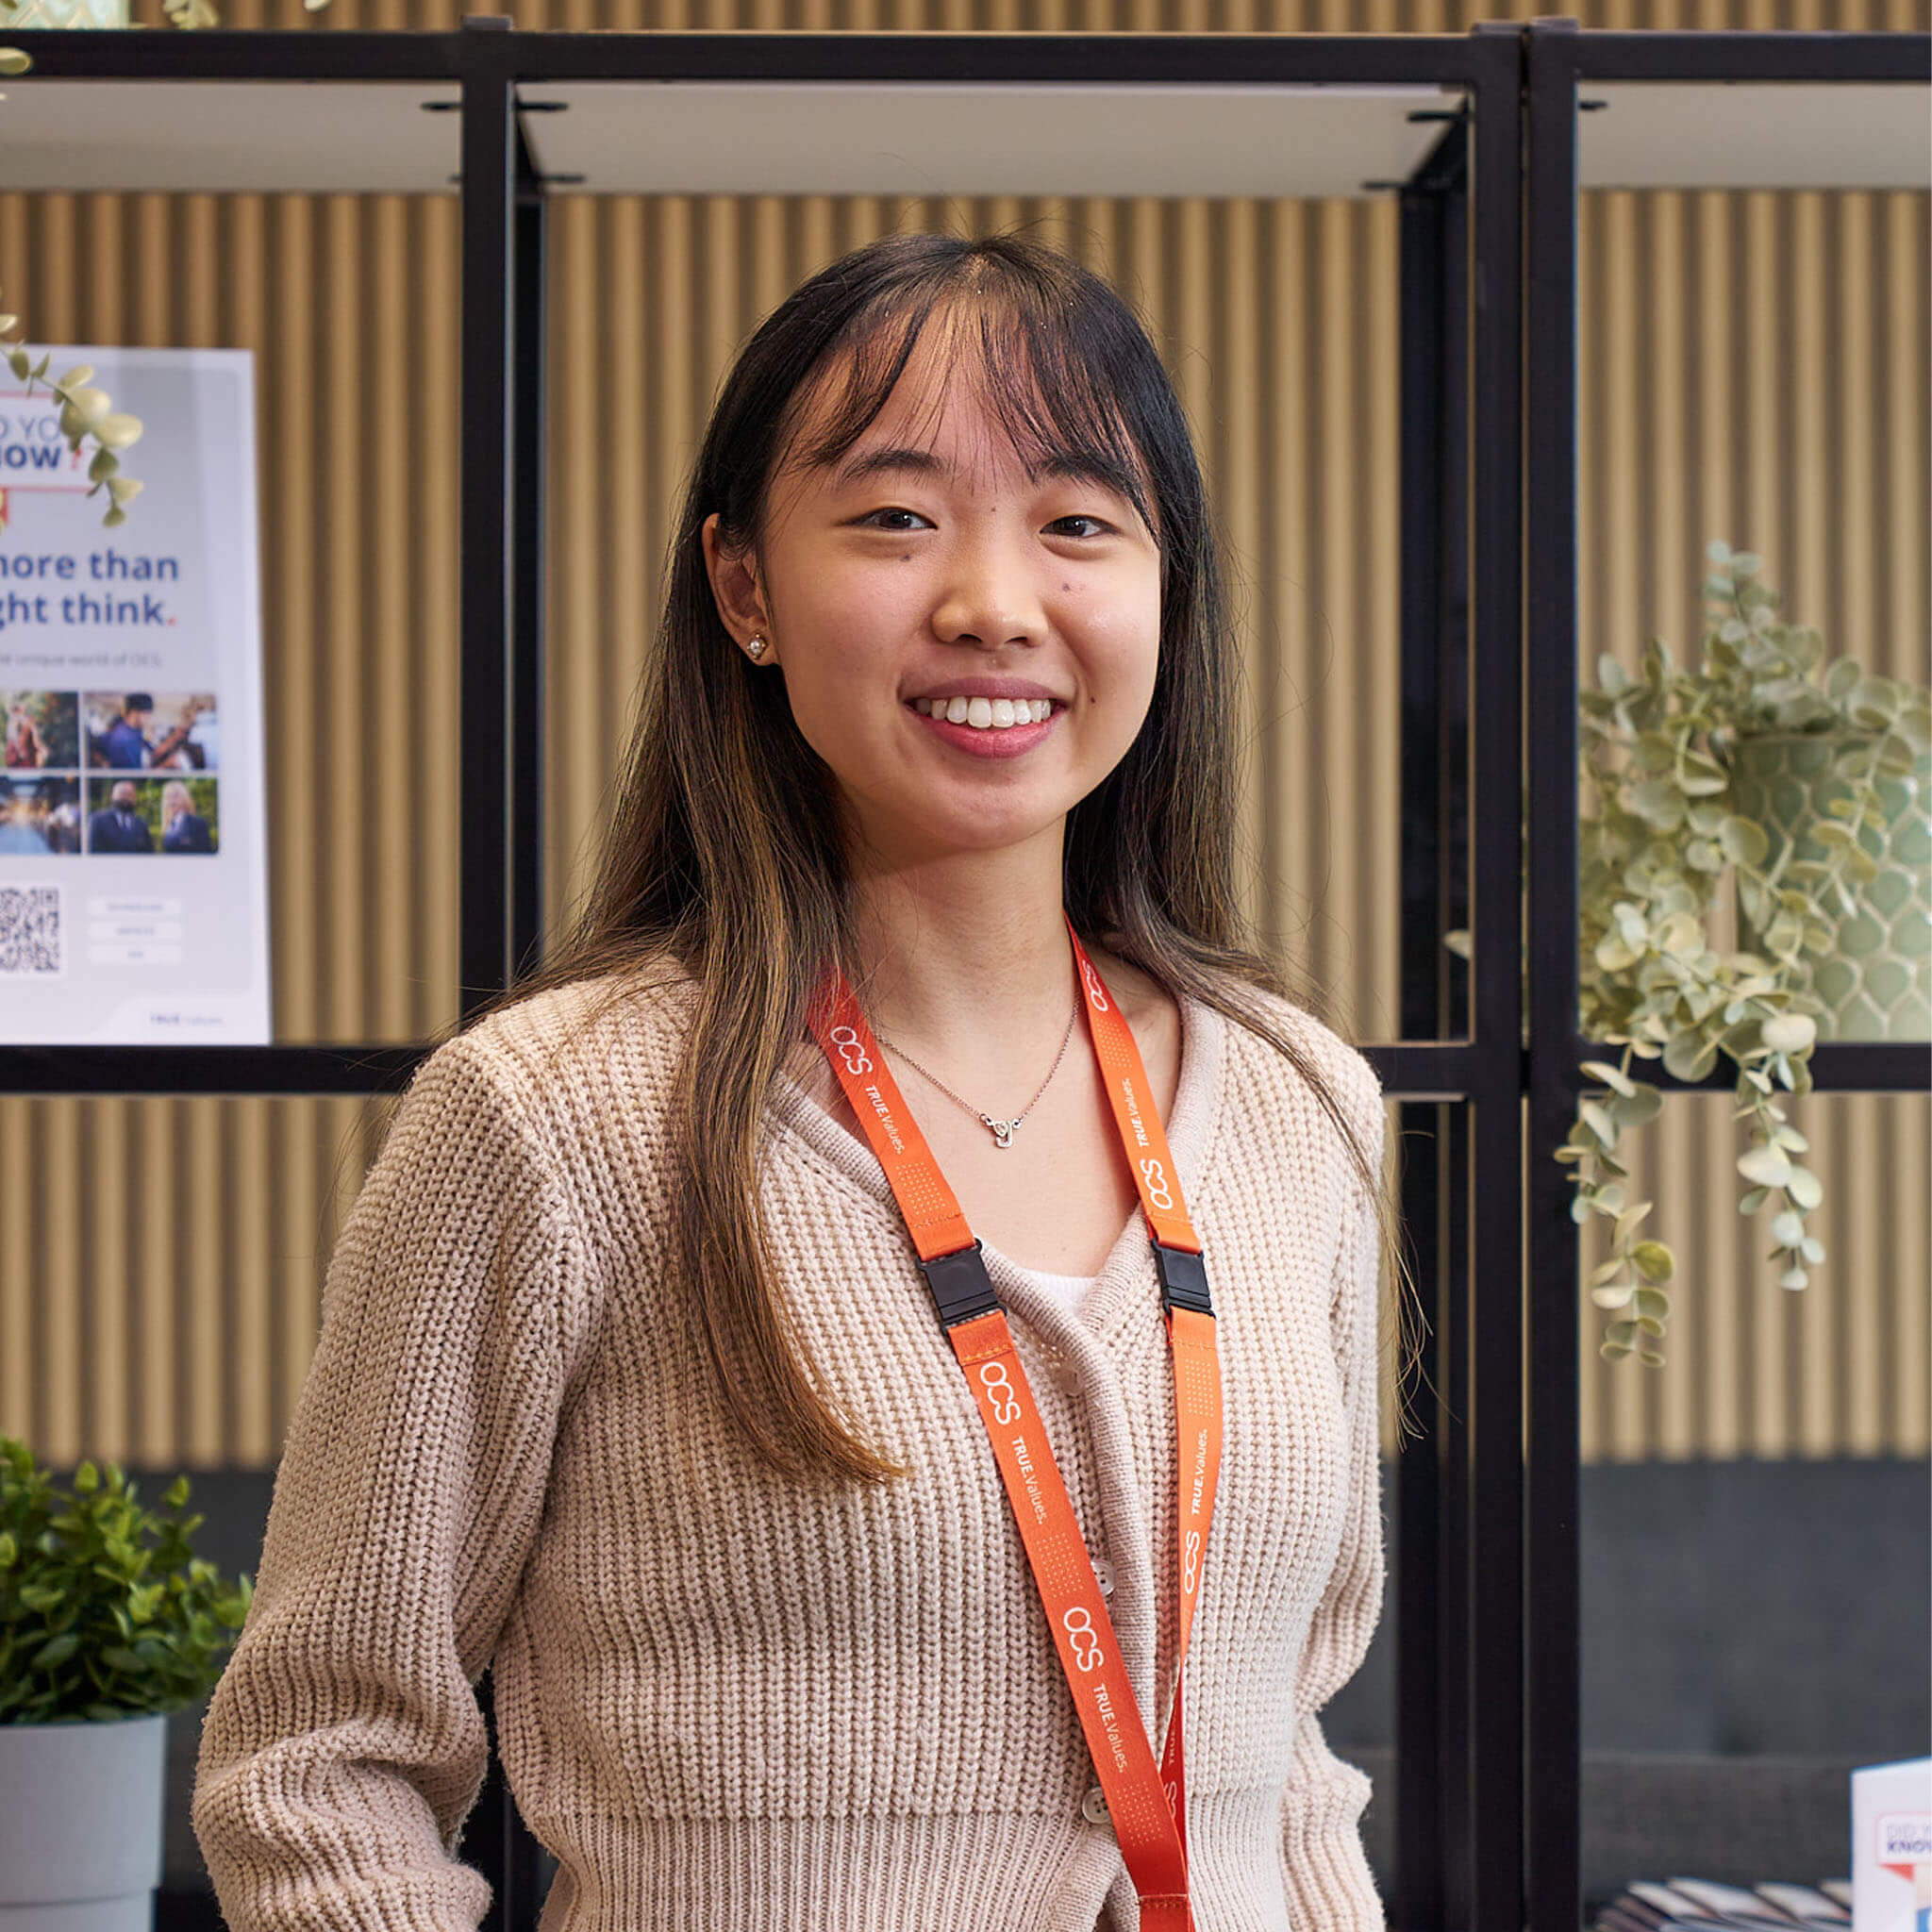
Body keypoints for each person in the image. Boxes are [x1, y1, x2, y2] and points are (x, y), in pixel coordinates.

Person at [191, 230, 1419, 1932]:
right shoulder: (552, 1118)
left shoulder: (1299, 1102)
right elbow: (318, 1768)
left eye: (1076, 522)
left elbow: (1280, 1752)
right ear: (743, 584)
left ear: (1165, 593)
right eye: (898, 516)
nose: (995, 599)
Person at [86, 778, 152, 853]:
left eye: (129, 794)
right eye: (122, 793)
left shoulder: (141, 824)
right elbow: (92, 848)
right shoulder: (97, 820)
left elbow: (148, 852)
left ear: (135, 798)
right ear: (112, 796)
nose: (125, 798)